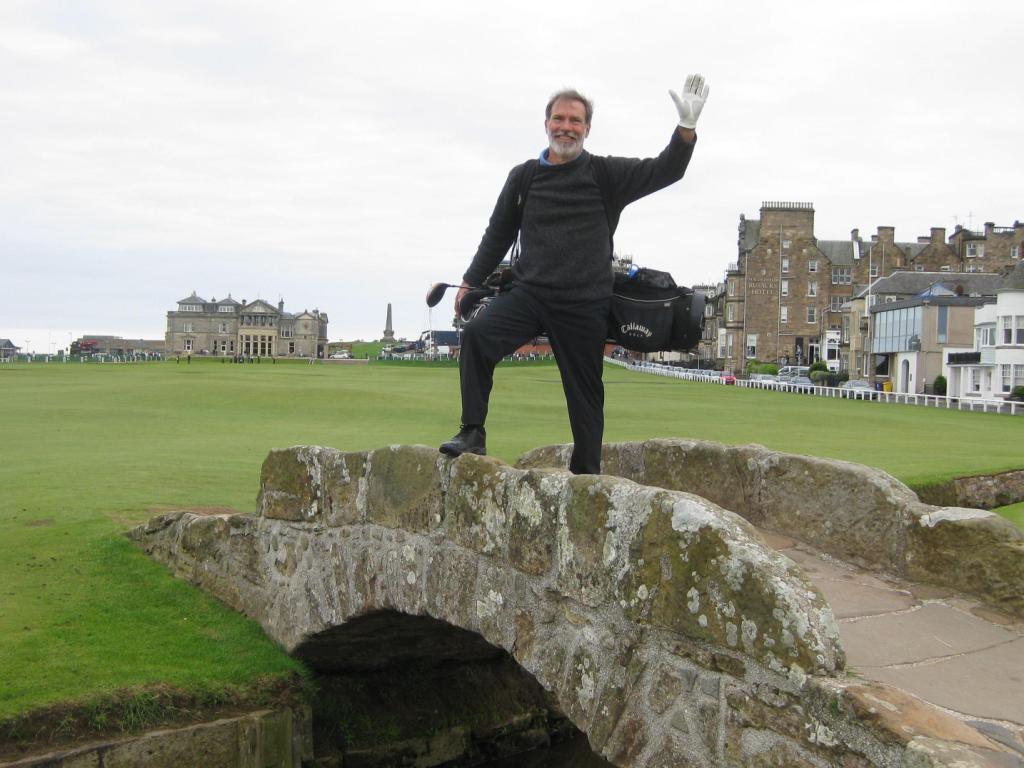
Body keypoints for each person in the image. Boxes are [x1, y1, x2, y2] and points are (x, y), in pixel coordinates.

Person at [439, 74, 710, 474]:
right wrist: (468, 283)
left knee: (585, 393)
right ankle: (472, 432)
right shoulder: (524, 177)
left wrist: (686, 130)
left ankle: (587, 472)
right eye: (559, 119)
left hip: (584, 301)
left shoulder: (605, 175)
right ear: (546, 123)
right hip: (530, 295)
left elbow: (665, 170)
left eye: (575, 121)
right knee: (478, 337)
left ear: (587, 128)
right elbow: (497, 236)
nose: (566, 127)